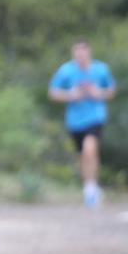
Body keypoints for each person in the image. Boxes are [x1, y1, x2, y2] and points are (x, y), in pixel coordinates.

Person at [48, 40, 116, 208]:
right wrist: (70, 95)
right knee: (83, 155)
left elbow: (111, 91)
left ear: (89, 52)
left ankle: (91, 188)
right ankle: (89, 186)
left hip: (95, 118)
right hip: (74, 121)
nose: (80, 56)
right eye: (76, 53)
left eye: (82, 52)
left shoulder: (101, 70)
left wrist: (97, 93)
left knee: (89, 149)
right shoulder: (66, 71)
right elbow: (53, 92)